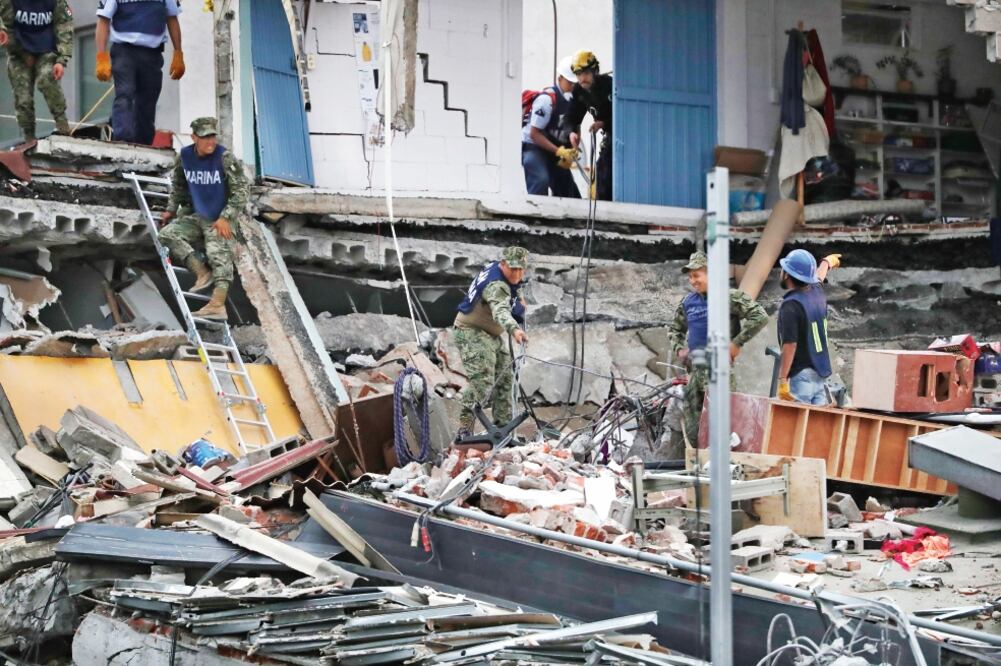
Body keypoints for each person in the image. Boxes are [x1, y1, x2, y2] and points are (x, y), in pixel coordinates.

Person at [668, 251, 768, 445]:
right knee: (693, 427)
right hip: (695, 372)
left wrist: (737, 343)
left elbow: (760, 316)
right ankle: (703, 463)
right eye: (690, 277)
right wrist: (679, 349)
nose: (692, 281)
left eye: (696, 275)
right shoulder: (688, 302)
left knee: (720, 425)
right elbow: (675, 330)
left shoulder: (728, 297)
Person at [160, 117, 248, 321]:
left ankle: (217, 304)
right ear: (193, 138)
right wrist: (171, 210)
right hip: (197, 214)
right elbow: (179, 186)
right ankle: (201, 271)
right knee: (167, 234)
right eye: (205, 137)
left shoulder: (224, 157)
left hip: (219, 217)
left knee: (219, 254)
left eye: (212, 137)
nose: (211, 142)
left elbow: (242, 190)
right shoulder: (185, 156)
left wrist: (227, 217)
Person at [453, 246, 530, 439]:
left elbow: (515, 289)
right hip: (471, 331)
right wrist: (515, 329)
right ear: (503, 265)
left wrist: (519, 298)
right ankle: (464, 428)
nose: (517, 274)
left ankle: (502, 429)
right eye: (513, 269)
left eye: (521, 269)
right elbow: (500, 311)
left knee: (505, 379)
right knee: (481, 379)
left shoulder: (501, 272)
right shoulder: (496, 286)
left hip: (491, 334)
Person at [94, 0, 184, 145]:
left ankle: (144, 144)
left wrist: (178, 52)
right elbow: (103, 20)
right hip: (124, 51)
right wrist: (101, 56)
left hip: (152, 54)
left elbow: (172, 18)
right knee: (125, 93)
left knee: (148, 101)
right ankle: (123, 140)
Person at [0, 0, 73, 141]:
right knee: (23, 99)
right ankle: (29, 138)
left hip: (46, 51)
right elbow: (5, 25)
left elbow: (65, 25)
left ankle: (62, 125)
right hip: (18, 53)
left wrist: (61, 61)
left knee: (46, 78)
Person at [776, 250, 841, 405]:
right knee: (814, 427)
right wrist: (827, 262)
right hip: (821, 375)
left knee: (792, 426)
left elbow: (790, 345)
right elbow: (819, 276)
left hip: (801, 378)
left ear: (786, 274)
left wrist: (783, 379)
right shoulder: (817, 291)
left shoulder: (791, 305)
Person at [522, 56, 581, 198]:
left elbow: (575, 128)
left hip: (555, 150)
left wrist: (572, 149)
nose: (573, 86)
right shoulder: (546, 100)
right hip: (534, 147)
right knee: (541, 180)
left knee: (568, 189)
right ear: (559, 78)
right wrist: (559, 151)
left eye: (575, 83)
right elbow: (534, 134)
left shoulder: (575, 101)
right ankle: (536, 217)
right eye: (569, 82)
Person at [563, 50, 613, 201]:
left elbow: (624, 114)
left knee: (606, 169)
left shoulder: (609, 86)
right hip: (609, 136)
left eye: (585, 73)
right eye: (578, 74)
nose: (581, 78)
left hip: (623, 133)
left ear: (594, 71)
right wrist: (571, 132)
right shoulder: (579, 91)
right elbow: (571, 116)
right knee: (601, 170)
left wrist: (604, 122)